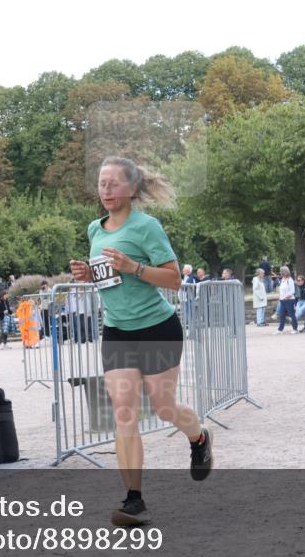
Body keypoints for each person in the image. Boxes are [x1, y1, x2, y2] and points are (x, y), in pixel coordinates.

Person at [68, 156, 211, 527]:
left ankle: (198, 439)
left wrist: (134, 267)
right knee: (124, 413)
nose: (106, 190)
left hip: (156, 328)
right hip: (117, 331)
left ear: (132, 189)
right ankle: (134, 500)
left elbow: (175, 279)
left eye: (114, 183)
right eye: (102, 183)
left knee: (164, 409)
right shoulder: (93, 230)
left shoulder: (147, 227)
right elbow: (108, 280)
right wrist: (89, 275)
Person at [274, 266, 297, 333]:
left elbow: (293, 291)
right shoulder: (282, 280)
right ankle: (280, 329)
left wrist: (288, 296)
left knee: (291, 314)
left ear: (285, 272)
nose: (281, 273)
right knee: (282, 315)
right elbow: (281, 290)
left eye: (282, 272)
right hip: (282, 300)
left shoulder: (290, 280)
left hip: (289, 300)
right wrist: (280, 298)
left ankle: (295, 329)